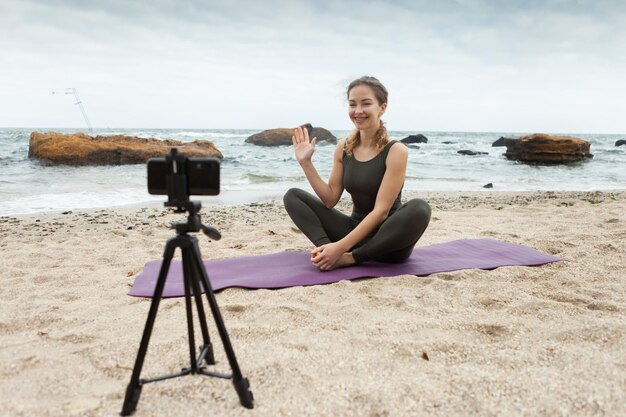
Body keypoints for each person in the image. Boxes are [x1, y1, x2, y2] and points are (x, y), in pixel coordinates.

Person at [283, 76, 431, 271]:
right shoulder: (344, 147)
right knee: (293, 196)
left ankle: (348, 258)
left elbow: (381, 212)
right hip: (352, 232)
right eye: (353, 104)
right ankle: (325, 251)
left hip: (388, 243)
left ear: (382, 107)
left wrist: (342, 249)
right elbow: (330, 199)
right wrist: (306, 163)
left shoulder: (396, 151)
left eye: (366, 103)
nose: (358, 110)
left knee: (420, 208)